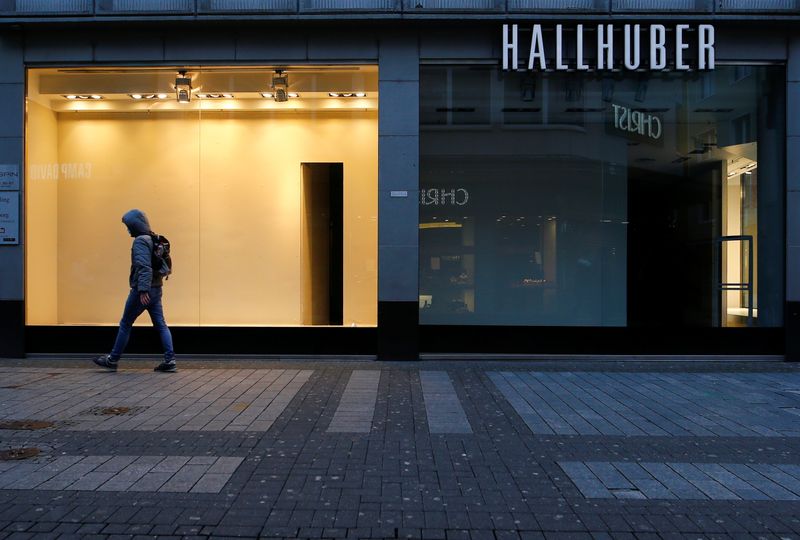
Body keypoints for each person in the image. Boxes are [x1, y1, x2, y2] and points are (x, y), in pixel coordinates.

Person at [93, 209, 176, 373]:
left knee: (125, 323)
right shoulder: (154, 239)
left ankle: (112, 359)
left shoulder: (140, 241)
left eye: (129, 226)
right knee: (161, 325)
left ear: (136, 225)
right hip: (157, 289)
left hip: (142, 291)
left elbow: (144, 267)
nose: (128, 229)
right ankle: (170, 360)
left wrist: (143, 290)